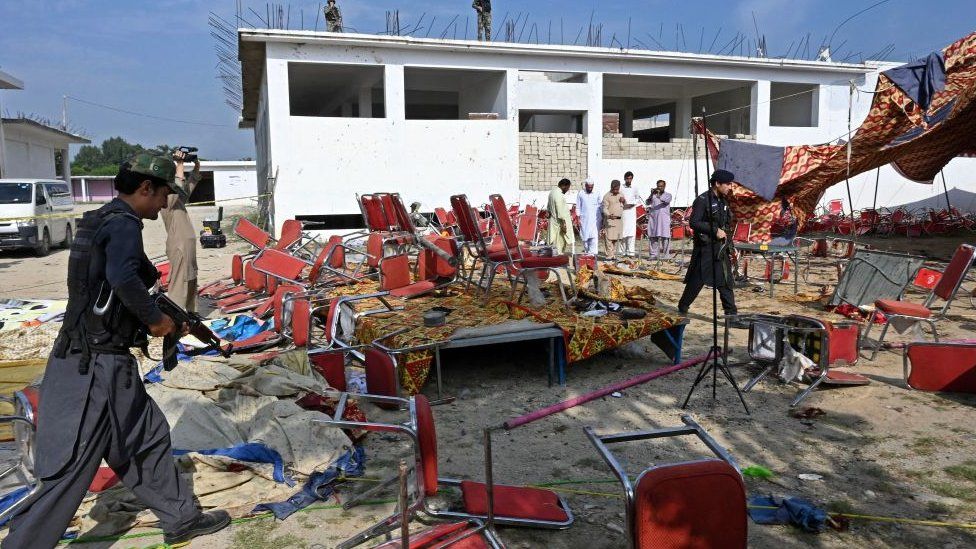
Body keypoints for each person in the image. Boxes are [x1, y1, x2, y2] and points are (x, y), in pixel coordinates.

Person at [2, 154, 231, 549]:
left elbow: (115, 287)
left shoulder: (100, 219)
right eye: (162, 194)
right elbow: (122, 277)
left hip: (102, 361)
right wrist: (157, 323)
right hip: (92, 368)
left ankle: (181, 518)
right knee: (72, 466)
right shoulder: (124, 224)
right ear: (145, 188)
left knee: (145, 437)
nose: (163, 204)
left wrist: (163, 315)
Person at [677, 169, 738, 316]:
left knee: (725, 280)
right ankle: (683, 305)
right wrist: (714, 230)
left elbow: (726, 224)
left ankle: (731, 314)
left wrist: (731, 246)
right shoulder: (703, 200)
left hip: (721, 248)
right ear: (717, 183)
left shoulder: (723, 200)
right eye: (727, 184)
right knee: (697, 280)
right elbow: (694, 222)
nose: (730, 187)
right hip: (705, 249)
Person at [161, 148, 200, 312]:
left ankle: (191, 313)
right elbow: (178, 183)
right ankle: (176, 314)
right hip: (179, 246)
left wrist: (196, 168)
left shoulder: (178, 200)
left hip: (187, 245)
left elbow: (187, 187)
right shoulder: (167, 200)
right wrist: (180, 163)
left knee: (191, 278)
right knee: (179, 281)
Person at [645, 179, 673, 259]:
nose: (659, 188)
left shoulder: (668, 195)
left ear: (664, 186)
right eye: (658, 186)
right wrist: (651, 194)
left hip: (664, 220)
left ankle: (666, 255)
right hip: (654, 219)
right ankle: (653, 255)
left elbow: (666, 201)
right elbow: (647, 203)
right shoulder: (653, 195)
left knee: (665, 237)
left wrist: (658, 196)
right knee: (653, 237)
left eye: (661, 186)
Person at [546, 178, 574, 254]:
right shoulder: (558, 195)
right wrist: (564, 224)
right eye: (568, 188)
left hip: (554, 222)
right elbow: (560, 211)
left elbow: (548, 208)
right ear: (564, 186)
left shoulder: (552, 192)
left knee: (554, 243)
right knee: (559, 244)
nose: (568, 190)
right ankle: (557, 260)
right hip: (559, 224)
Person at [575, 178, 602, 255]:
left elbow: (600, 206)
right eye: (588, 187)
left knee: (594, 237)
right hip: (584, 220)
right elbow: (578, 207)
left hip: (596, 220)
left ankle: (593, 255)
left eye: (591, 187)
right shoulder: (581, 193)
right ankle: (587, 252)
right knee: (585, 238)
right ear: (585, 185)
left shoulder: (597, 193)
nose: (590, 188)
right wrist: (577, 218)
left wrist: (602, 218)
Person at [619, 171, 642, 257]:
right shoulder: (621, 187)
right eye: (627, 178)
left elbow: (637, 198)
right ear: (624, 178)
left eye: (630, 178)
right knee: (623, 232)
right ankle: (622, 252)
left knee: (631, 232)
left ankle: (630, 252)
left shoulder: (635, 187)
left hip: (631, 211)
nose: (629, 180)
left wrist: (632, 204)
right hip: (623, 211)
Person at [601, 180, 624, 260]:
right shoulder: (607, 196)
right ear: (611, 187)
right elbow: (604, 208)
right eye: (614, 189)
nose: (616, 191)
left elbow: (624, 205)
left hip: (619, 221)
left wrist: (624, 201)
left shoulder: (621, 194)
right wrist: (608, 215)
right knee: (609, 239)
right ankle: (609, 256)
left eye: (617, 189)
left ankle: (614, 255)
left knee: (616, 239)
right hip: (610, 220)